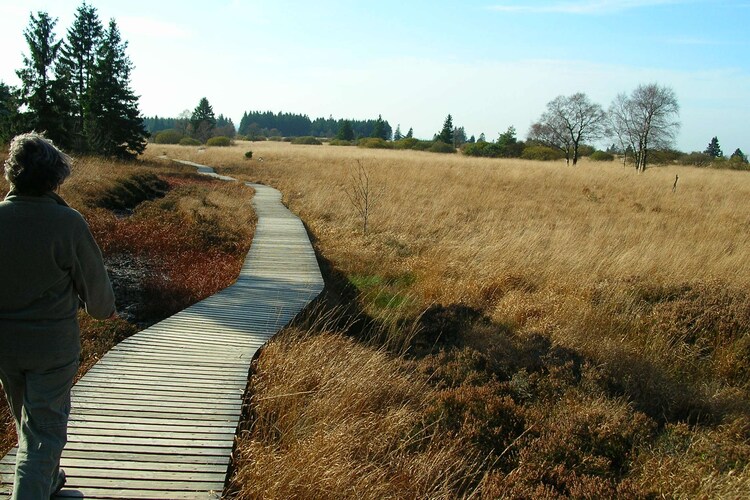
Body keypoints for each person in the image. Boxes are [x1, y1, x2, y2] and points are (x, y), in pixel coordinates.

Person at [0, 132, 115, 499]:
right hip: (51, 346)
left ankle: (47, 480)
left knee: (28, 424)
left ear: (12, 174)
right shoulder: (68, 223)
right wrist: (104, 311)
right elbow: (95, 291)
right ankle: (34, 485)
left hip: (5, 346)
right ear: (55, 175)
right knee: (43, 432)